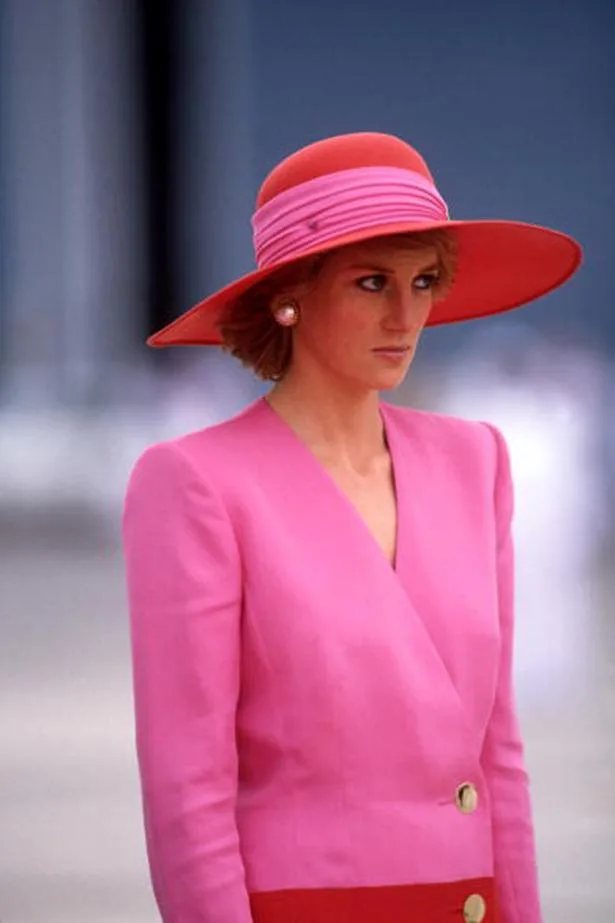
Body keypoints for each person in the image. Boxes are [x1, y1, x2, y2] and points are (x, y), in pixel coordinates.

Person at [122, 132, 582, 923]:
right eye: (372, 282)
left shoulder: (474, 460)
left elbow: (496, 754)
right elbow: (185, 787)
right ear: (287, 294)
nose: (407, 314)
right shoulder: (196, 482)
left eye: (423, 280)